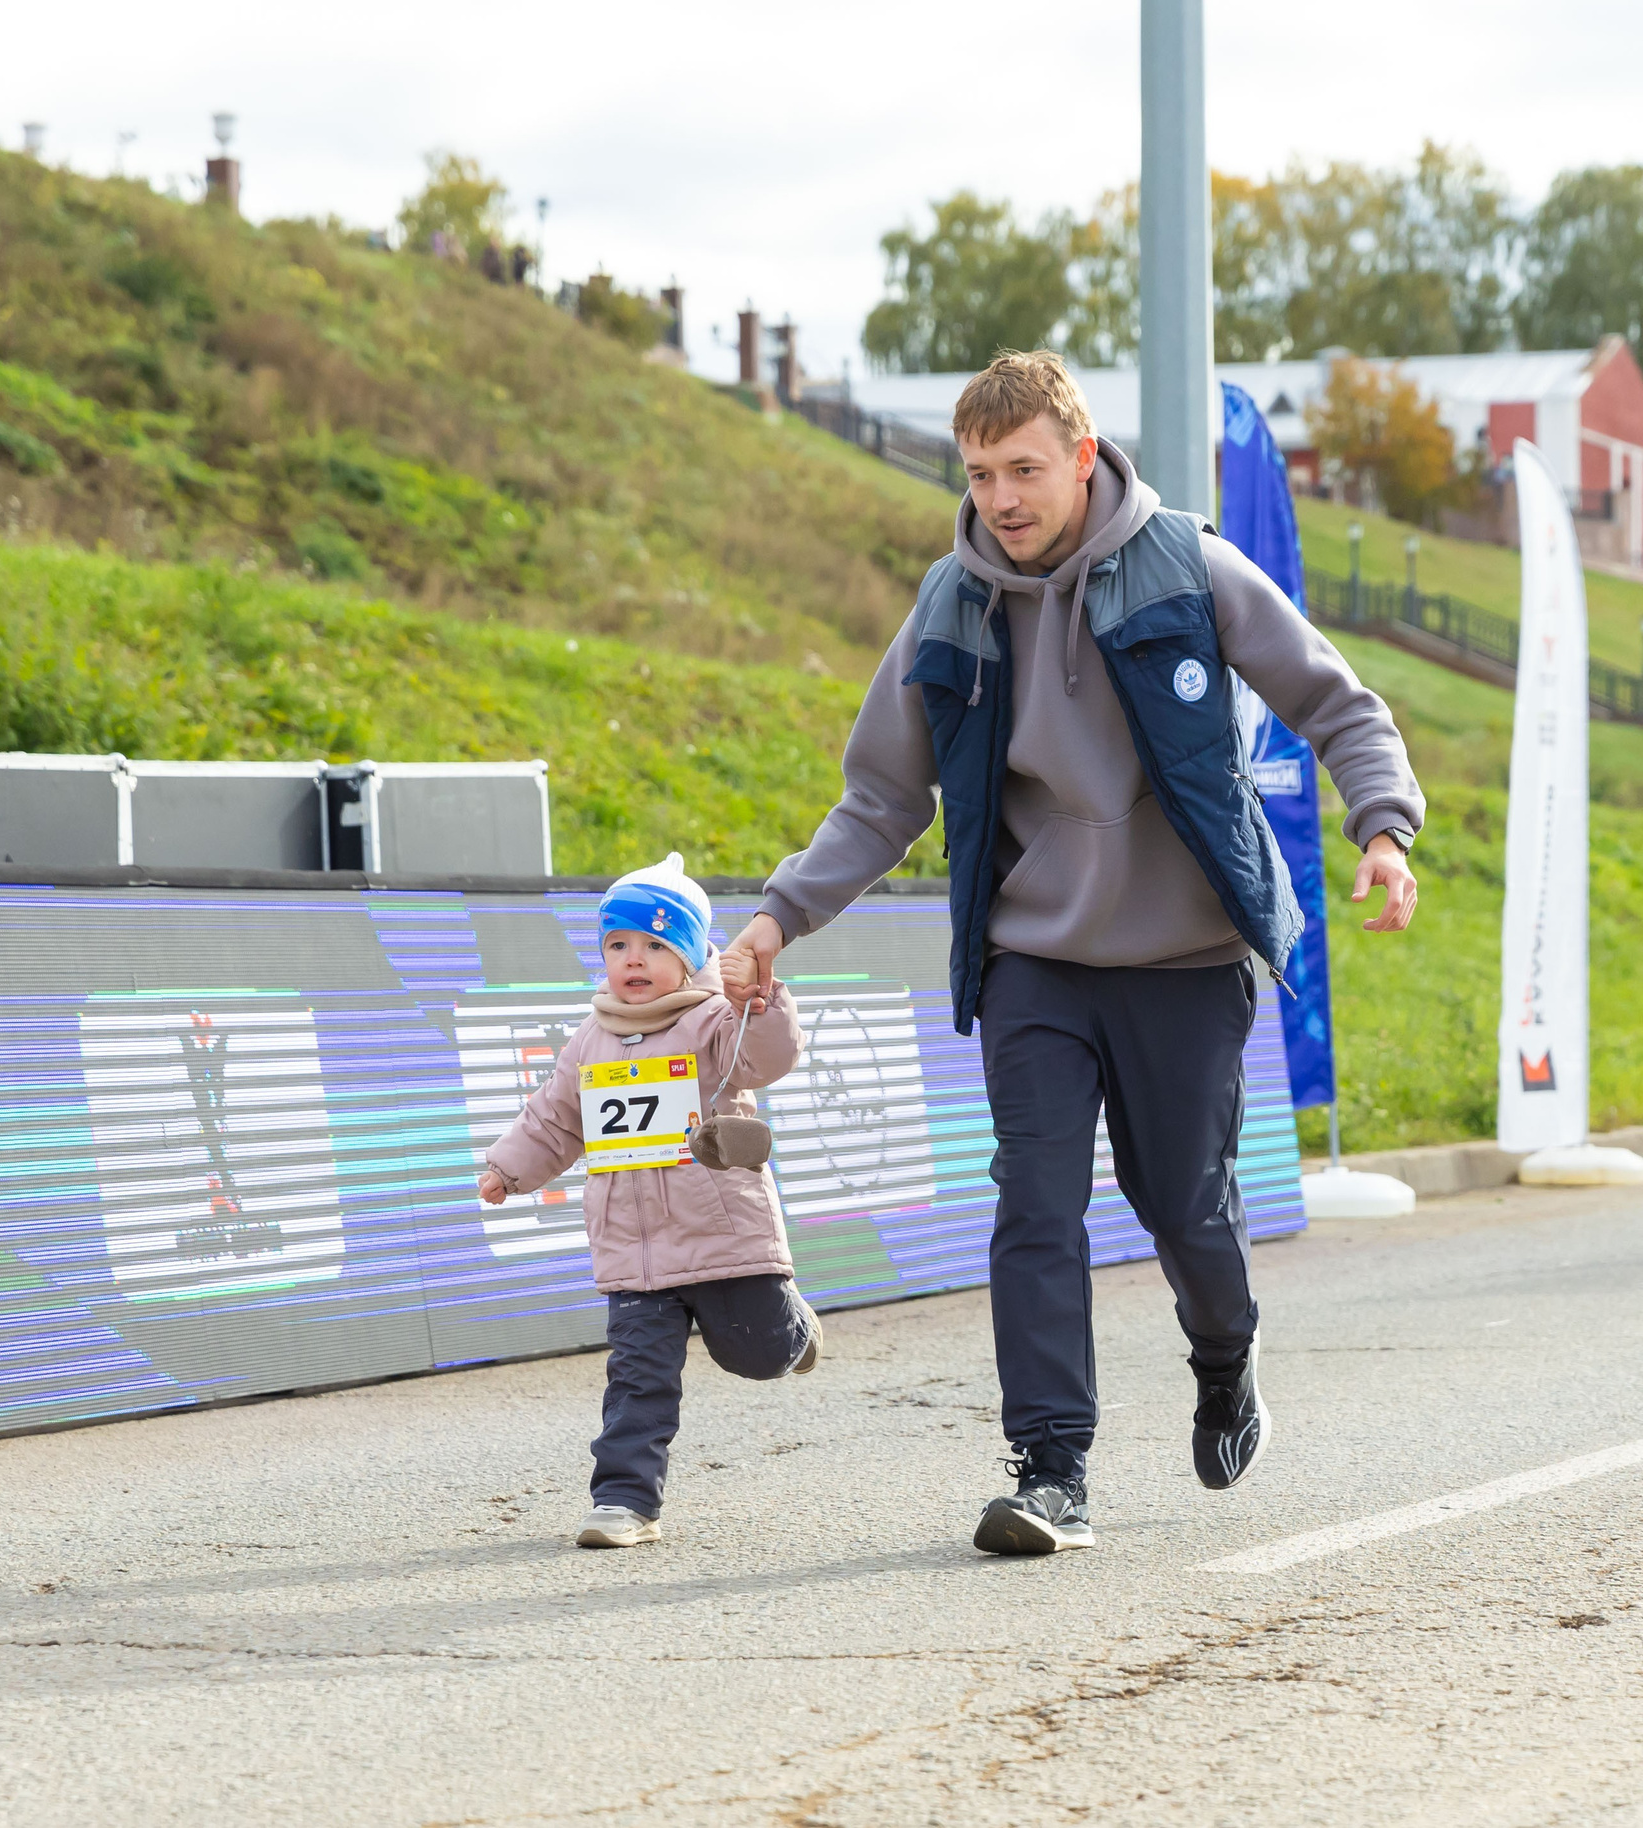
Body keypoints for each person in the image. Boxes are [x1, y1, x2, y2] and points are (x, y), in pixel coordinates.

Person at [720, 351, 1423, 1556]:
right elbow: (883, 799)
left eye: (1025, 468)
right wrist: (777, 913)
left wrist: (1384, 827)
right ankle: (1052, 1470)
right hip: (1034, 961)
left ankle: (1225, 1352)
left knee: (1184, 1208)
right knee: (1033, 1204)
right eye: (981, 473)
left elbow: (1335, 701)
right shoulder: (948, 607)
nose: (1002, 495)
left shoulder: (1187, 564)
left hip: (1185, 955)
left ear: (1082, 458)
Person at [479, 853, 818, 1548]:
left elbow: (766, 1057)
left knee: (760, 1352)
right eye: (619, 945)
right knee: (637, 1380)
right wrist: (508, 1170)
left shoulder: (713, 1022)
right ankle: (625, 1501)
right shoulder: (589, 1040)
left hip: (722, 1236)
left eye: (657, 945)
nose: (634, 959)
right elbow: (554, 1119)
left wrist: (758, 1001)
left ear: (693, 955)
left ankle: (797, 1332)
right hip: (633, 1250)